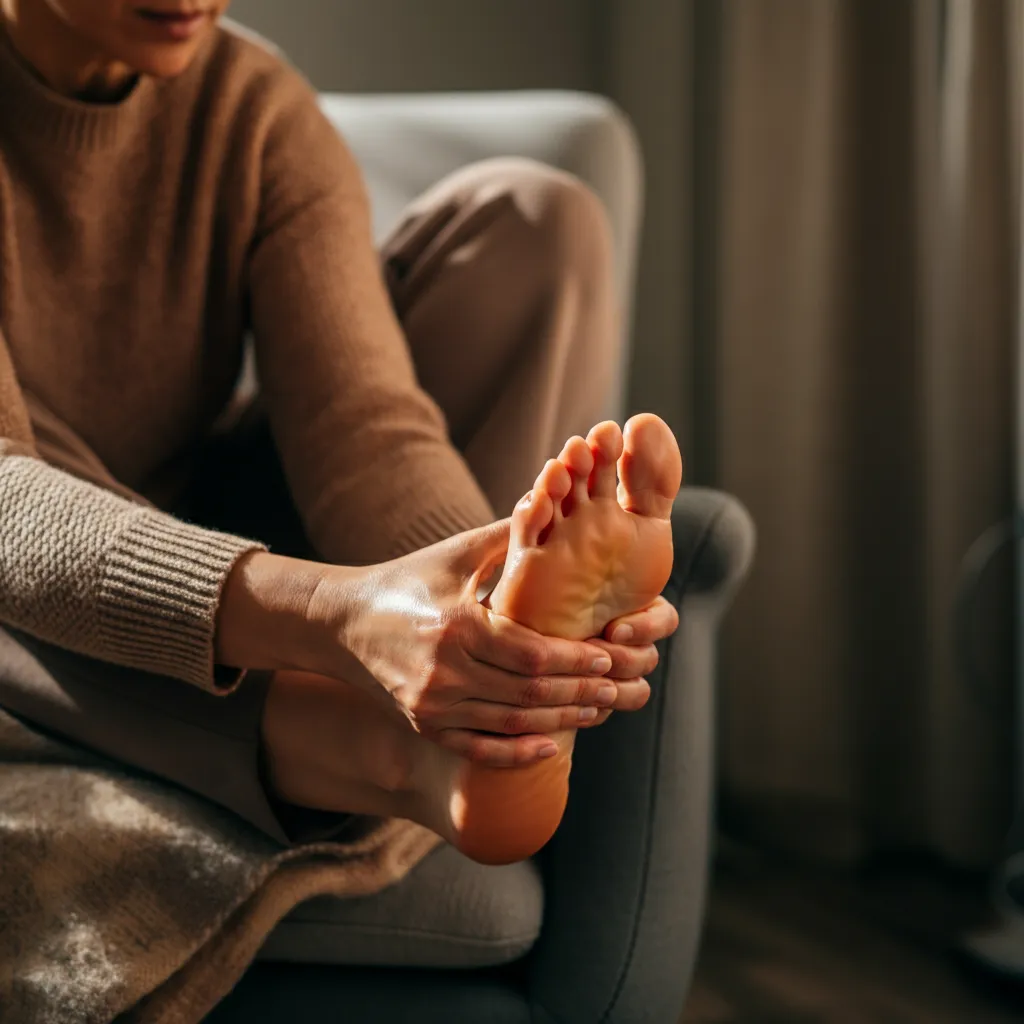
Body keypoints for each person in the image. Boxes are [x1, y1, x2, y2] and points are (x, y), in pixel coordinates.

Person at [0, 0, 681, 868]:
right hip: (29, 574)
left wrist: (482, 607)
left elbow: (361, 423)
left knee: (536, 219)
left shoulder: (250, 106)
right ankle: (391, 755)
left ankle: (475, 703)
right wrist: (335, 616)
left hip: (204, 509)